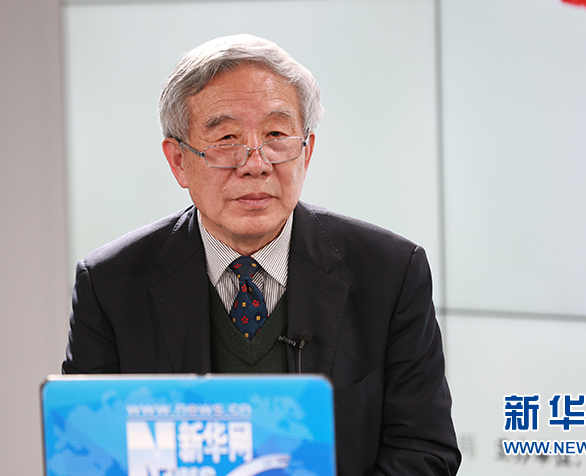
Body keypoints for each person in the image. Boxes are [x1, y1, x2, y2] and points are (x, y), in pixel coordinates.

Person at [63, 34, 461, 475]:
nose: (255, 163)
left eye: (276, 135)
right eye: (227, 138)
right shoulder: (110, 286)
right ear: (178, 160)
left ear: (306, 151)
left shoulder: (391, 273)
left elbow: (424, 451)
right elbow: (89, 457)